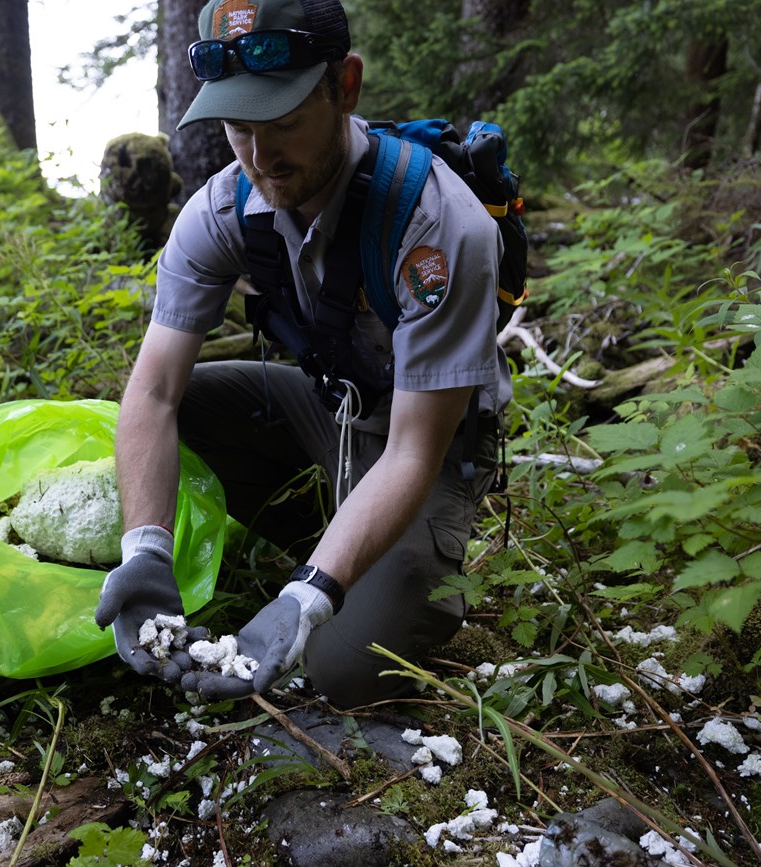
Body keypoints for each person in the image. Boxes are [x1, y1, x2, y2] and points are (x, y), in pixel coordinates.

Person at [93, 0, 510, 710]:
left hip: (420, 441)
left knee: (344, 671)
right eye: (238, 129)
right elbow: (153, 394)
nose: (260, 157)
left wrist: (310, 597)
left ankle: (360, 563)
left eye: (284, 122)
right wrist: (145, 550)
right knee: (183, 408)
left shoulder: (439, 225)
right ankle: (324, 536)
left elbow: (413, 451)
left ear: (344, 87)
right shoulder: (223, 209)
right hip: (330, 411)